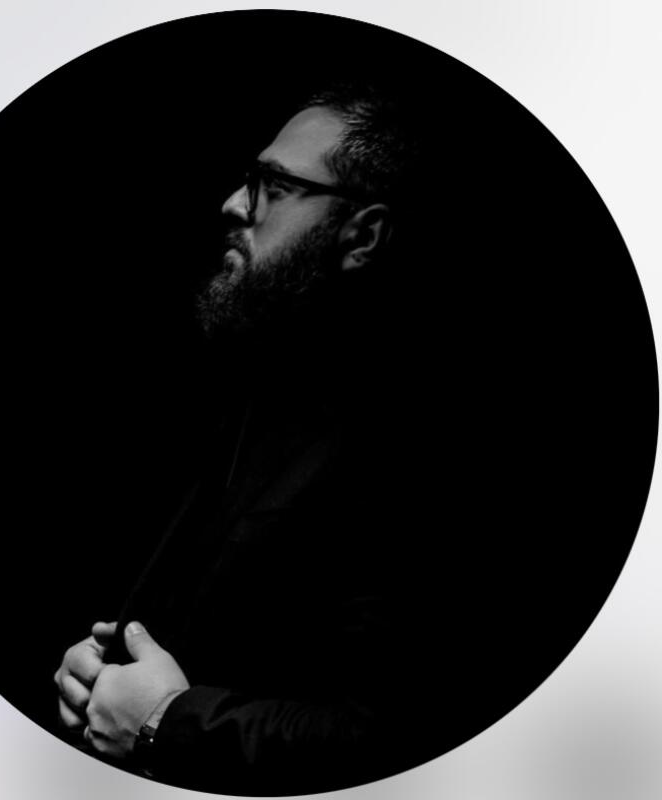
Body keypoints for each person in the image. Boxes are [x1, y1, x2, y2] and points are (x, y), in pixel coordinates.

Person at [54, 83, 434, 795]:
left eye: (272, 185)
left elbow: (406, 734)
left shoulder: (411, 444)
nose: (234, 203)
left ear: (363, 235)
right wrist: (102, 672)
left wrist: (167, 725)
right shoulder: (254, 401)